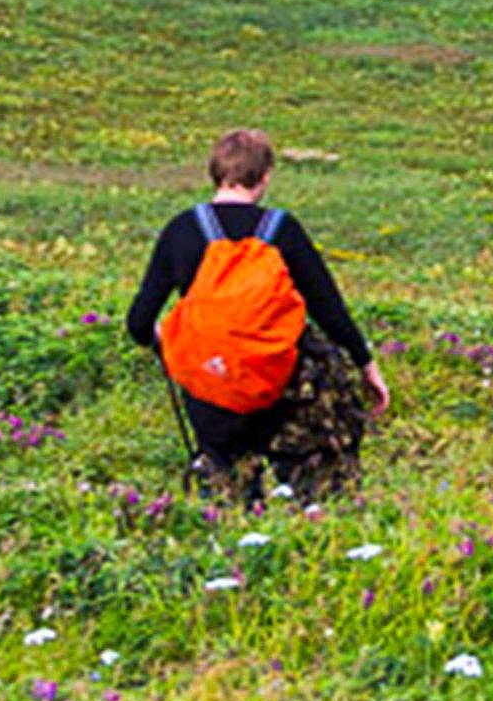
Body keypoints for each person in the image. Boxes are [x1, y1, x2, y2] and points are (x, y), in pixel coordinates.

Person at [122, 129, 384, 500]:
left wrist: (171, 341)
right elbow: (330, 311)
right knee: (299, 488)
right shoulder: (283, 230)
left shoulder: (181, 230)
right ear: (264, 177)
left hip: (209, 385)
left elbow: (138, 323)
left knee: (225, 488)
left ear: (215, 172)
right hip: (275, 384)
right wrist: (367, 366)